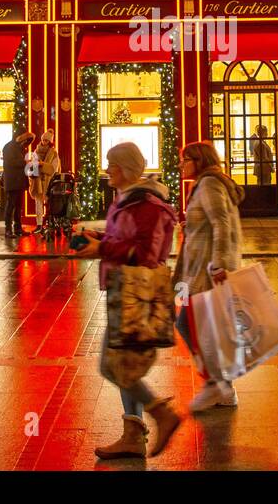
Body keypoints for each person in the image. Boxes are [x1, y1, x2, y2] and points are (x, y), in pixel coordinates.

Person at [73, 142, 183, 460]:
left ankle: (161, 412)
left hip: (137, 296)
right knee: (123, 366)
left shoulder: (147, 204)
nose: (107, 169)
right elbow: (125, 240)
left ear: (126, 168)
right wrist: (99, 238)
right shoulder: (126, 200)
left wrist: (103, 249)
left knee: (112, 367)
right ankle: (132, 435)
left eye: (112, 164)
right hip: (123, 291)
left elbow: (147, 253)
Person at [175, 141, 243, 411]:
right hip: (199, 268)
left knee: (188, 324)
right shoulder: (204, 183)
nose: (181, 165)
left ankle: (219, 385)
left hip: (206, 271)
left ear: (199, 161)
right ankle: (222, 387)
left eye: (186, 160)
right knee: (201, 328)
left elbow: (221, 223)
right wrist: (189, 225)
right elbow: (208, 221)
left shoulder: (209, 184)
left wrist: (219, 264)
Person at [1, 131, 34, 239]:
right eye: (24, 139)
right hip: (12, 181)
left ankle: (18, 228)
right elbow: (11, 162)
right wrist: (25, 162)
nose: (25, 142)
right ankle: (8, 230)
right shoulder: (9, 147)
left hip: (19, 181)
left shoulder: (20, 148)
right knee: (10, 206)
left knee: (18, 206)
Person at [27, 130, 60, 226]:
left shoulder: (53, 153)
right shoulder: (36, 151)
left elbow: (53, 168)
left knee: (50, 204)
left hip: (49, 182)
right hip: (37, 181)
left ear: (50, 142)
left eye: (47, 140)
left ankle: (50, 223)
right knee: (38, 204)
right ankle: (39, 224)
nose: (45, 142)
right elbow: (31, 166)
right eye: (43, 140)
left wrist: (42, 165)